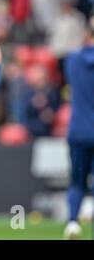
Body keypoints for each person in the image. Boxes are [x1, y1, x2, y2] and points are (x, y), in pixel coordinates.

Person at [63, 16, 94, 240]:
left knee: (76, 180)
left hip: (79, 130)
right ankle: (90, 205)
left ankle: (73, 222)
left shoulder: (72, 60)